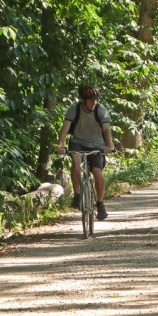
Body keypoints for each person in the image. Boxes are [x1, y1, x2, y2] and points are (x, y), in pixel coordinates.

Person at [57, 86, 114, 220]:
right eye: (90, 100)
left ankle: (100, 203)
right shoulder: (74, 109)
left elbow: (106, 130)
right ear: (84, 100)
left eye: (95, 99)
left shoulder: (101, 110)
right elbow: (65, 129)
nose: (94, 102)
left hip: (96, 145)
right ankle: (77, 195)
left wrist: (109, 145)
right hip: (78, 142)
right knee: (76, 162)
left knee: (97, 172)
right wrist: (60, 145)